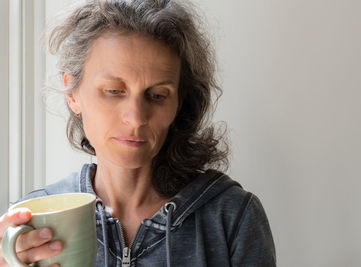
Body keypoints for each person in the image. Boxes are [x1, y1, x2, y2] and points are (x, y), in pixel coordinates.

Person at [0, 0, 276, 266]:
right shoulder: (32, 221)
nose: (136, 118)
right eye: (114, 91)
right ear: (73, 94)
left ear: (178, 102)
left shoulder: (233, 217)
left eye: (157, 95)